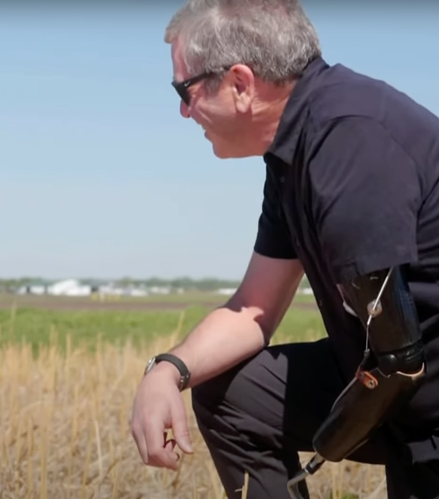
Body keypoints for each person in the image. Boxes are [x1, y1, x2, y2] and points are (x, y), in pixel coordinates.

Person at [130, 1, 439, 498]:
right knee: (231, 394)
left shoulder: (349, 138)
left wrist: (331, 442)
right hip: (393, 382)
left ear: (239, 83)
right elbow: (254, 306)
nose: (183, 111)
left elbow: (399, 357)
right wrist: (167, 371)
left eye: (183, 91)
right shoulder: (292, 154)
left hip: (420, 394)